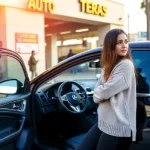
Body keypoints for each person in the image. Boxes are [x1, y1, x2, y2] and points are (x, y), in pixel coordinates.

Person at [76, 29, 137, 150]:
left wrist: (101, 90)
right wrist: (101, 90)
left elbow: (100, 93)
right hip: (103, 121)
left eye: (126, 41)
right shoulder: (109, 66)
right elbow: (100, 89)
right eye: (119, 42)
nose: (124, 45)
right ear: (110, 45)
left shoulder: (126, 65)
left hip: (116, 125)